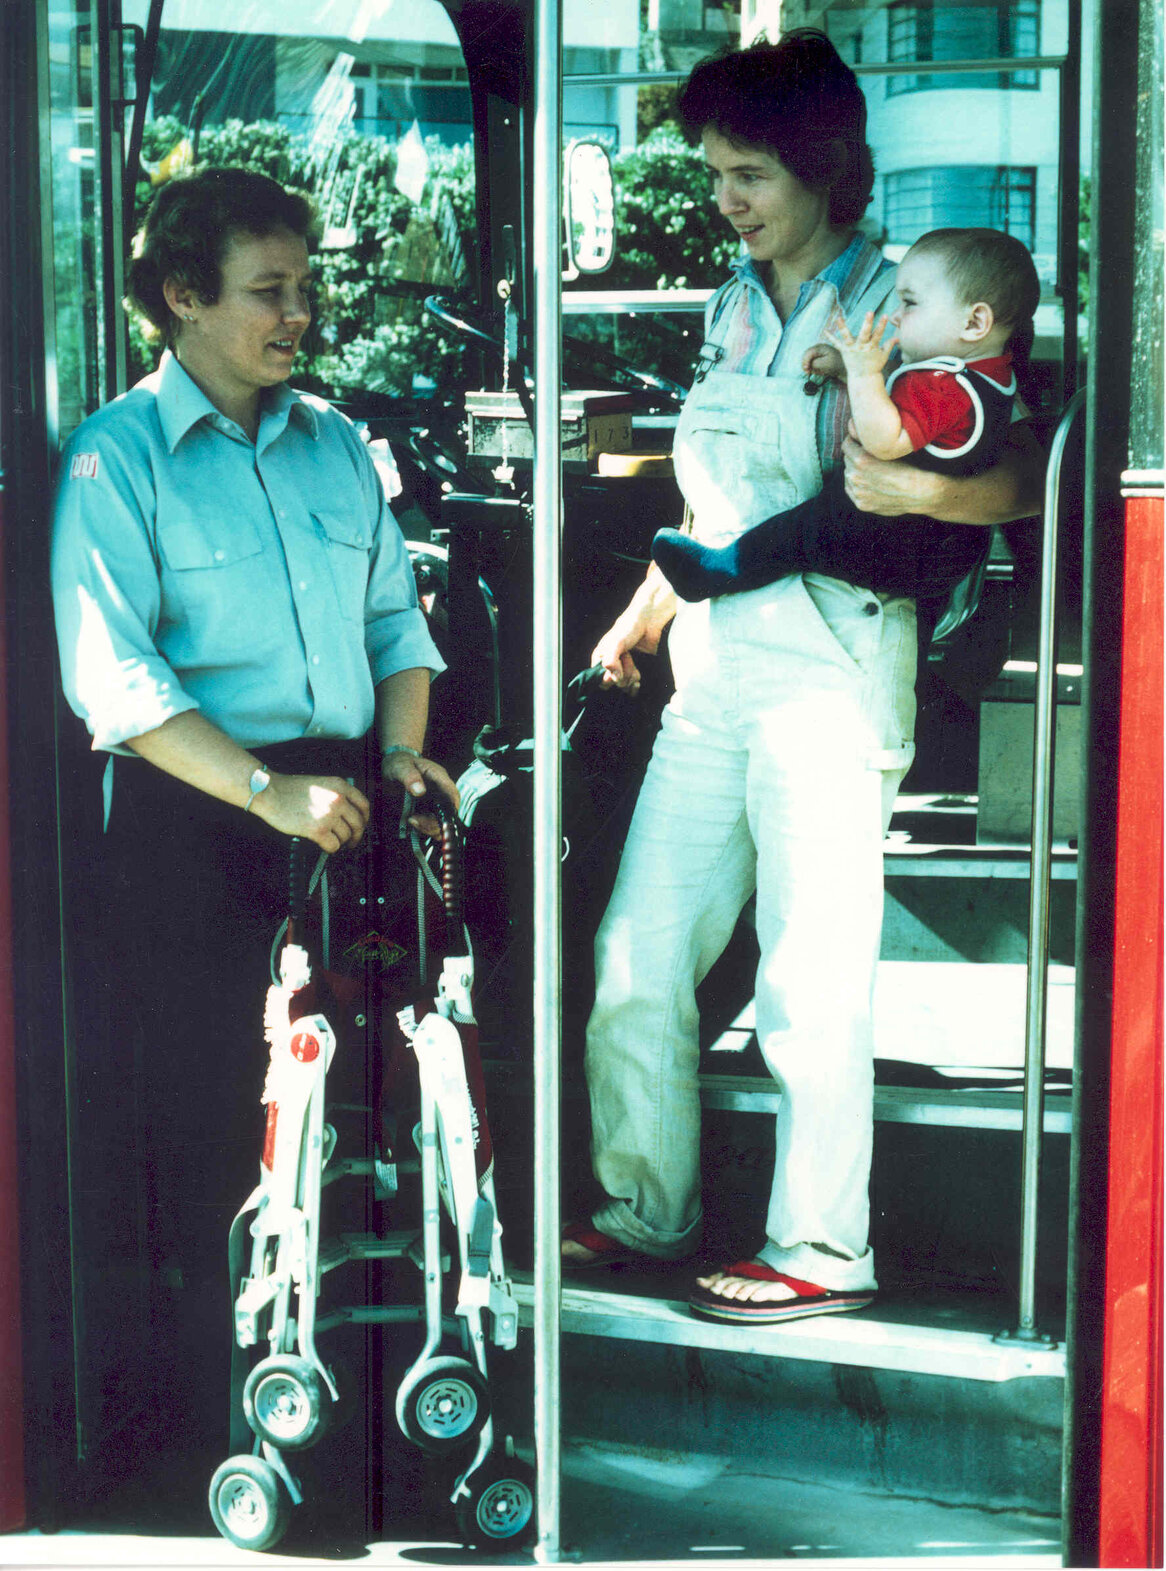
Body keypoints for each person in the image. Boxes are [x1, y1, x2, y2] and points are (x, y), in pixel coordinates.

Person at [562, 33, 1044, 1324]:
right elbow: (719, 494)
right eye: (717, 170)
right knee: (634, 950)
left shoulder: (904, 305)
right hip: (711, 671)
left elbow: (1002, 475)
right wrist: (644, 608)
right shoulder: (728, 304)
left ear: (826, 171)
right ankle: (642, 1205)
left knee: (809, 973)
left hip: (831, 666)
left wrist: (900, 482)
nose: (725, 198)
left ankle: (822, 1246)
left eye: (748, 174)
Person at [51, 167, 456, 1453]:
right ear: (182, 297)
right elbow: (114, 678)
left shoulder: (335, 441)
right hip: (200, 813)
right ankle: (204, 1418)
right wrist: (265, 790)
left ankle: (356, 1398)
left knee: (366, 1120)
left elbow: (397, 619)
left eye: (308, 285)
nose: (302, 315)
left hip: (342, 807)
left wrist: (398, 756)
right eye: (271, 292)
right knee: (206, 1118)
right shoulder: (115, 458)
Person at [651, 227, 1040, 611]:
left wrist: (862, 373)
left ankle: (717, 570)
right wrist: (848, 369)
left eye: (910, 304)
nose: (897, 318)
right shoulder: (981, 376)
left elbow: (884, 438)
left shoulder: (943, 385)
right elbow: (911, 404)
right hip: (924, 547)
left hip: (897, 540)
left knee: (800, 534)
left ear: (974, 323)